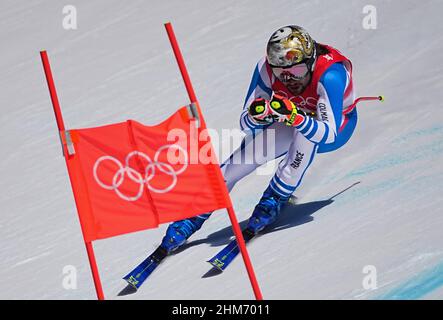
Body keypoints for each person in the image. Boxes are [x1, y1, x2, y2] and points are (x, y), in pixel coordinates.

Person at [160, 25, 357, 253]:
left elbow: (328, 134)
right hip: (292, 117)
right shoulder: (265, 69)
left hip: (337, 126)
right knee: (244, 158)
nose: (289, 79)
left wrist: (294, 117)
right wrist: (258, 116)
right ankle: (194, 214)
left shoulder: (331, 74)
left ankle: (274, 199)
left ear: (311, 60)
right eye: (281, 73)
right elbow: (244, 123)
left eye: (297, 71)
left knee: (306, 136)